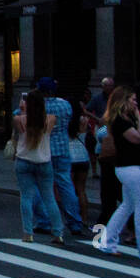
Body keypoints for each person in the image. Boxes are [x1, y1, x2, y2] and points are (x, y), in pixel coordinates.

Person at [96, 86, 140, 259]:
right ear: (123, 101)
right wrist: (138, 120)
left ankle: (108, 242)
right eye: (132, 100)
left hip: (133, 166)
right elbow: (139, 138)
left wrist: (138, 118)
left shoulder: (128, 118)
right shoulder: (120, 121)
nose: (136, 103)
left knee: (128, 205)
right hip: (129, 167)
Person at [29, 78, 87, 237]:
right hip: (62, 149)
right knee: (66, 186)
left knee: (39, 187)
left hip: (43, 150)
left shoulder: (37, 106)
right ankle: (74, 222)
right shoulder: (64, 105)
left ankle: (44, 221)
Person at [10, 89, 64, 244]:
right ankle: (57, 232)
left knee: (26, 197)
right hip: (44, 161)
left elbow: (17, 132)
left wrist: (22, 108)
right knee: (49, 198)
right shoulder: (50, 119)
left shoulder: (19, 120)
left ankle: (28, 233)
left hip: (24, 160)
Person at [67, 107, 91, 225]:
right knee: (81, 189)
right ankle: (85, 218)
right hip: (83, 156)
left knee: (70, 189)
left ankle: (73, 216)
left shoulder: (66, 120)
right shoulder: (84, 120)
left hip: (70, 157)